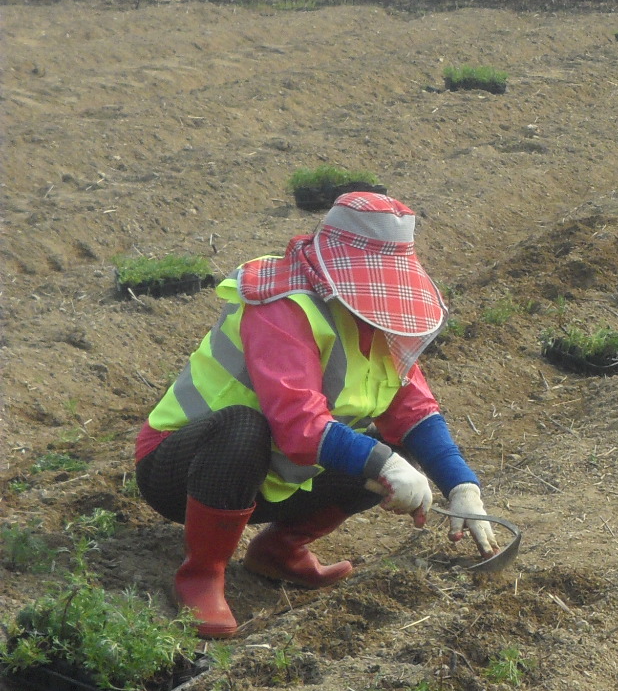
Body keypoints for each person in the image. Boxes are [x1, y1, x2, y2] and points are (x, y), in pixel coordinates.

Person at [135, 193, 488, 637]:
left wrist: (462, 486)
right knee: (246, 427)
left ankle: (281, 550)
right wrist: (387, 465)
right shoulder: (284, 305)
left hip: (271, 476)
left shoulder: (376, 319)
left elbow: (414, 411)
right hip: (183, 470)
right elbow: (298, 424)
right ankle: (202, 574)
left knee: (395, 449)